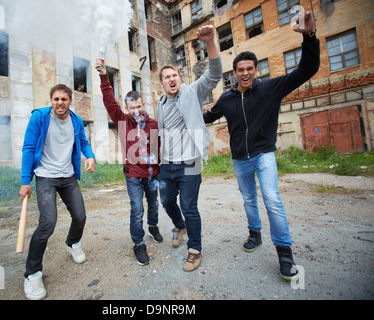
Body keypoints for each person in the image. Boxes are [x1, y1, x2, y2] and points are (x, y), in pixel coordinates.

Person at [203, 11, 320, 280]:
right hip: (239, 159)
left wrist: (309, 37)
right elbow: (207, 117)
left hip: (264, 154)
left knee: (272, 199)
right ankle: (254, 234)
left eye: (249, 69)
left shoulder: (271, 89)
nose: (245, 73)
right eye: (240, 70)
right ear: (234, 73)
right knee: (248, 199)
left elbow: (307, 69)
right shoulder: (226, 99)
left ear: (256, 70)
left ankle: (285, 252)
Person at [19, 84, 96, 300]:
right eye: (56, 99)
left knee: (80, 216)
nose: (59, 103)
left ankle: (73, 242)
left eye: (63, 99)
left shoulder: (76, 120)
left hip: (68, 175)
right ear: (51, 100)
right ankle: (32, 274)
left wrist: (90, 156)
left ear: (70, 101)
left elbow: (82, 142)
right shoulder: (40, 118)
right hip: (46, 176)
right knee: (47, 223)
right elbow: (28, 147)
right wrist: (26, 181)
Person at [157, 25, 223, 272]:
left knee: (189, 207)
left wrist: (211, 43)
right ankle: (179, 225)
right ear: (162, 83)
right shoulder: (161, 105)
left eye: (174, 75)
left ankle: (195, 249)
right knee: (165, 201)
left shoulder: (192, 92)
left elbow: (215, 75)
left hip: (190, 163)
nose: (171, 80)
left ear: (180, 79)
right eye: (166, 77)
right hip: (167, 165)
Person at [95, 58, 162, 266]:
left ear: (143, 104)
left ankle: (153, 227)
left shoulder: (153, 123)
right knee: (136, 208)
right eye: (132, 107)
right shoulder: (122, 120)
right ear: (127, 107)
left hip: (152, 175)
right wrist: (103, 75)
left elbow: (161, 150)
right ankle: (138, 244)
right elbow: (108, 100)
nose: (136, 111)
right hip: (132, 174)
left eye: (138, 106)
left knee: (153, 204)